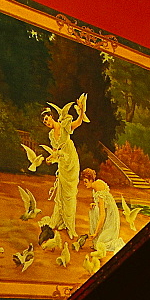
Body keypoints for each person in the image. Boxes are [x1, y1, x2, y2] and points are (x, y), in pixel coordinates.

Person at [42, 95, 87, 240]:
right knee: (61, 194)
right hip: (62, 163)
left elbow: (78, 123)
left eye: (47, 118)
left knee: (70, 195)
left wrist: (81, 111)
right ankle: (61, 221)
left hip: (71, 162)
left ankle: (70, 226)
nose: (46, 122)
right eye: (44, 121)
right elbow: (56, 151)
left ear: (52, 116)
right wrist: (50, 158)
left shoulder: (64, 125)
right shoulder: (50, 135)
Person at [81, 167, 124, 254]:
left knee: (100, 245)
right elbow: (102, 203)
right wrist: (95, 204)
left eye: (86, 181)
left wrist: (96, 233)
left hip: (110, 215)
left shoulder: (98, 187)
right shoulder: (95, 185)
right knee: (92, 210)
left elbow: (102, 215)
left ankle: (100, 237)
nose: (84, 184)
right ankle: (97, 237)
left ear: (91, 180)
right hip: (107, 211)